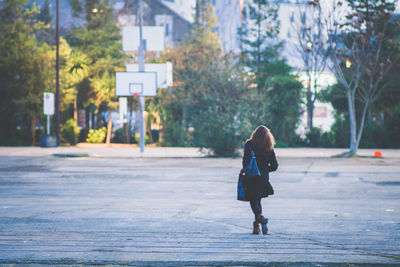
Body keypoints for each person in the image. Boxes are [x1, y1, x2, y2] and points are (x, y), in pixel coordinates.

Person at [242, 125, 278, 235]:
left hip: (252, 177)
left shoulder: (249, 144)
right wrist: (265, 170)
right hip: (263, 178)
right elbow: (275, 165)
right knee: (257, 200)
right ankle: (256, 226)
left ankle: (260, 219)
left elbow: (245, 162)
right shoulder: (269, 146)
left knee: (253, 201)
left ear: (255, 134)